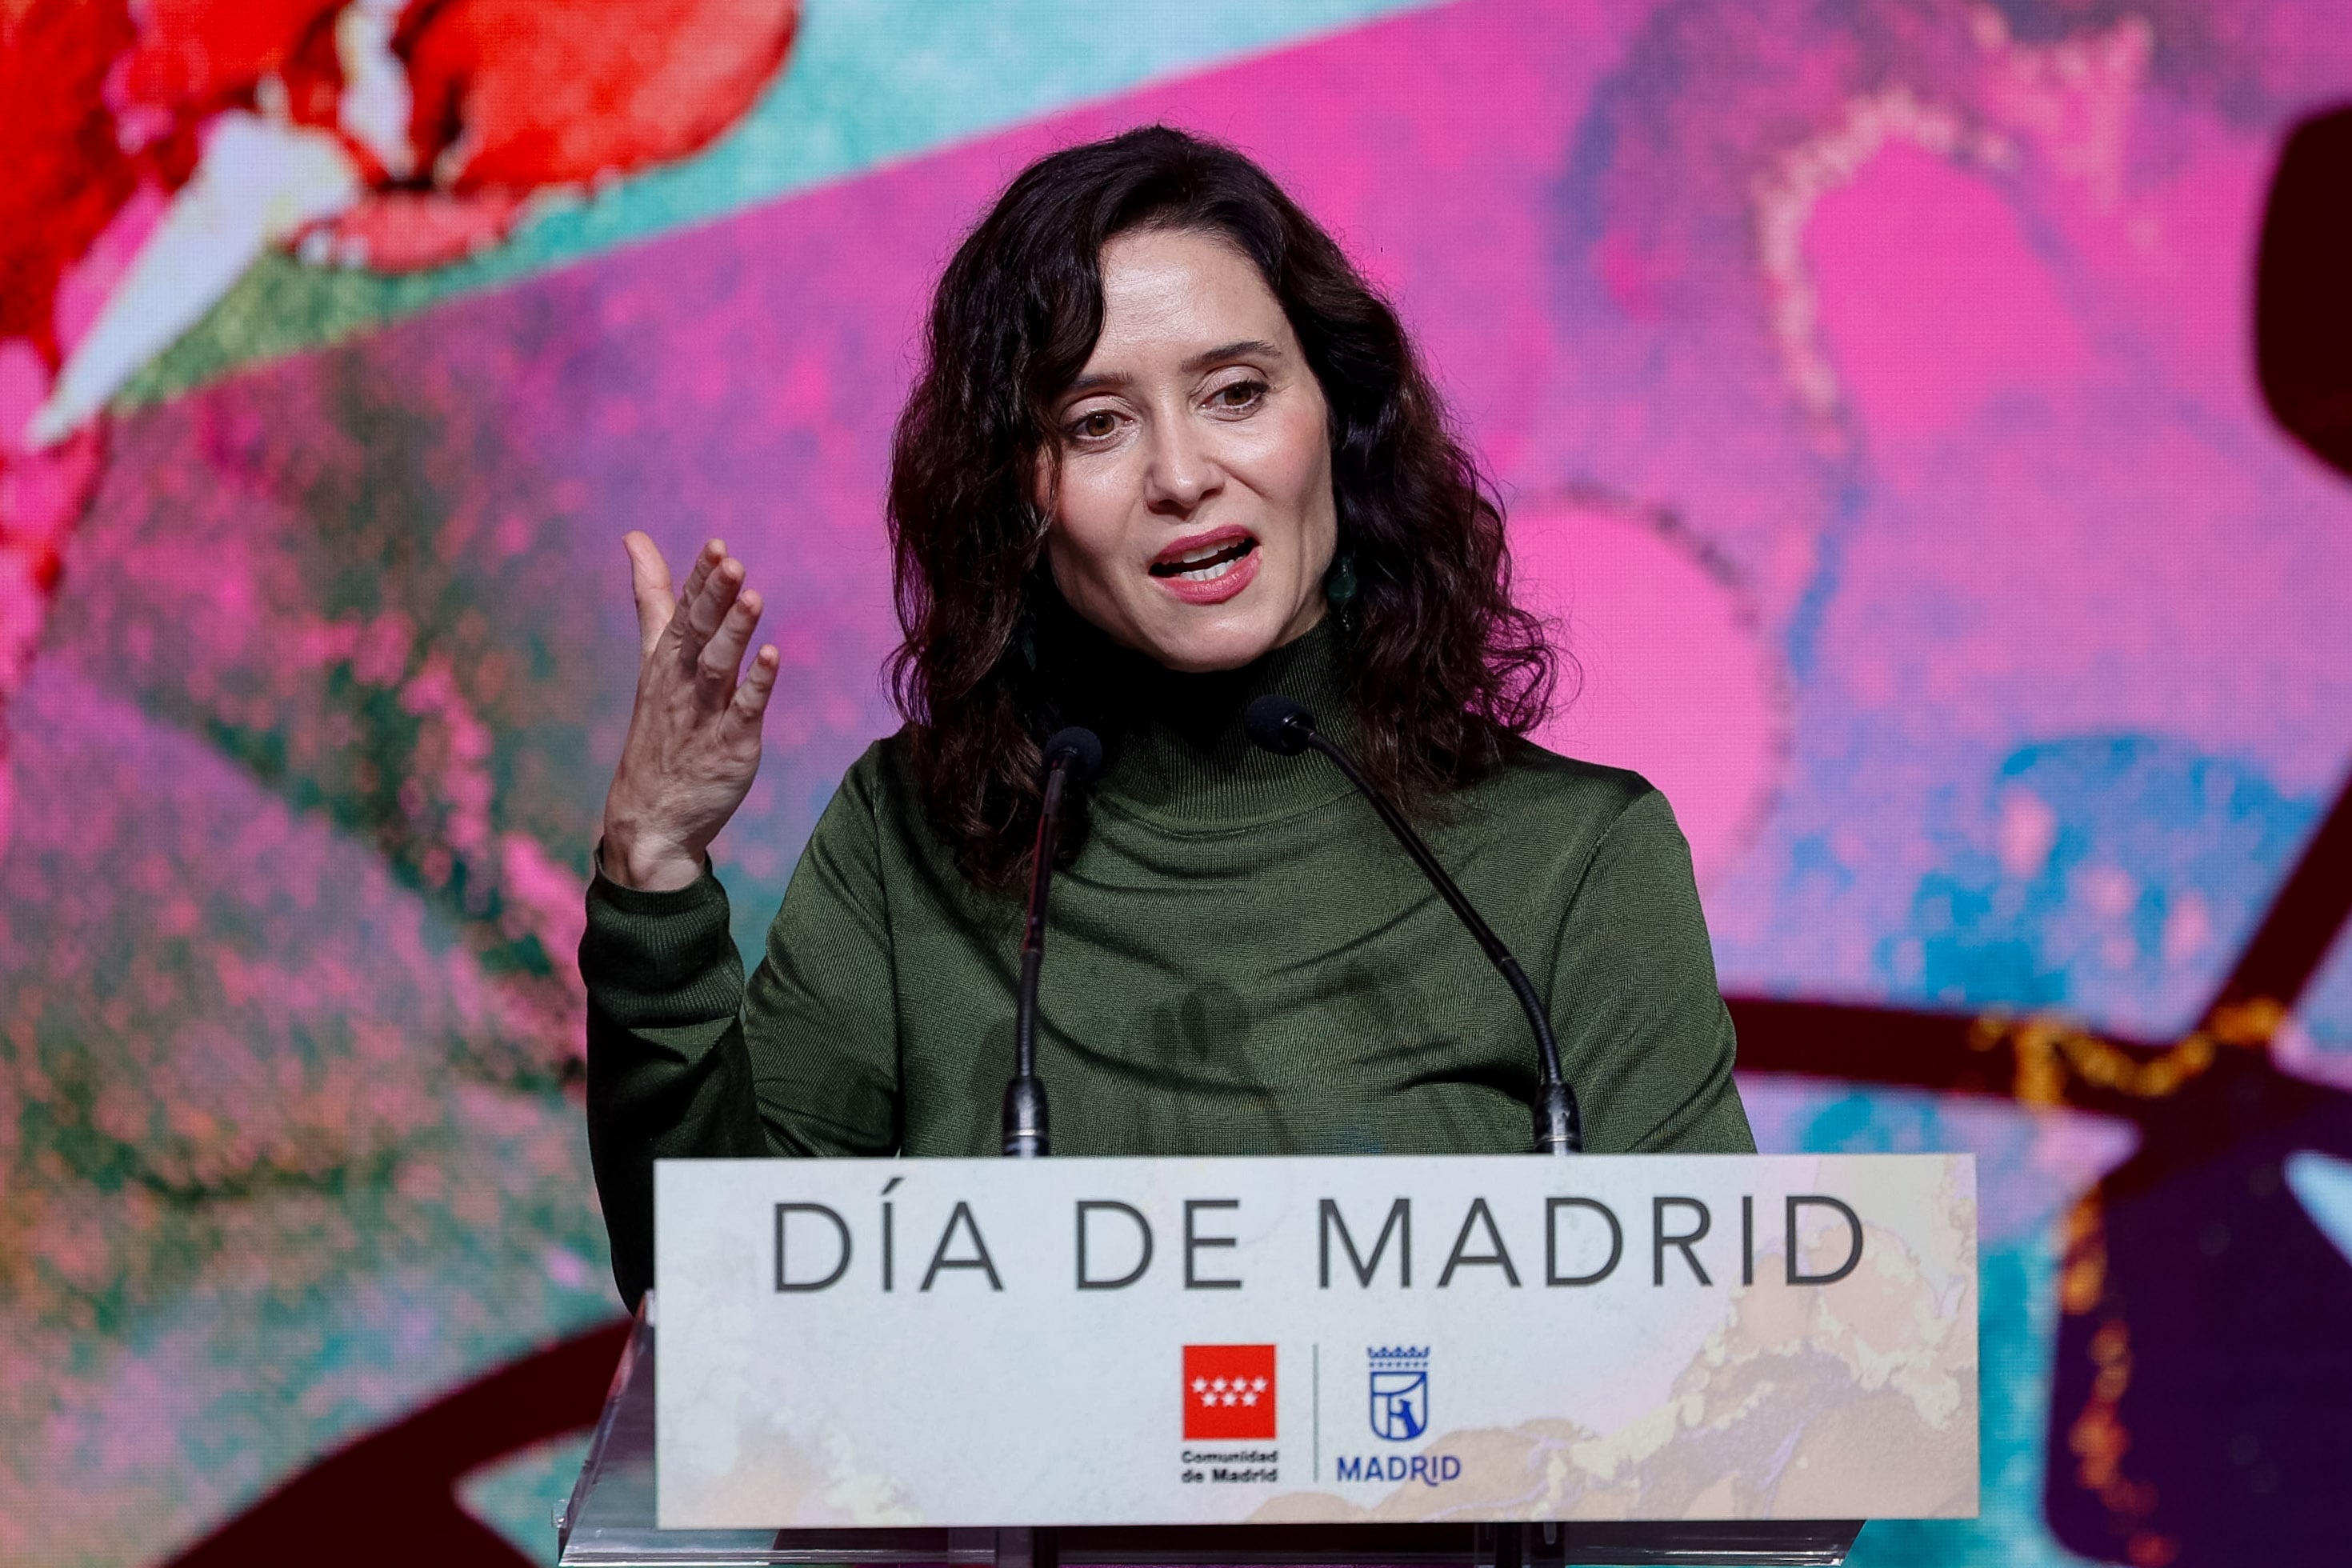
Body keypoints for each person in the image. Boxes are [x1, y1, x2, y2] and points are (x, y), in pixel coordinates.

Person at [582, 126, 1753, 1308]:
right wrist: (654, 877)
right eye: (1096, 424)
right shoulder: (907, 842)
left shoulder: (1577, 862)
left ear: (1339, 426)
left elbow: (1735, 1397)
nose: (1181, 474)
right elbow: (718, 1304)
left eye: (1235, 393)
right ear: (1017, 498)